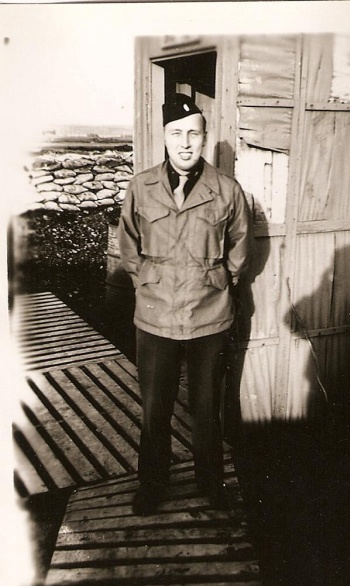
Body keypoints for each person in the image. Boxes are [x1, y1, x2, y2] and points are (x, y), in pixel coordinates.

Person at [117, 93, 251, 516]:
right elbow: (129, 247)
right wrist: (149, 284)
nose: (185, 143)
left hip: (210, 316)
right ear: (164, 137)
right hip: (156, 316)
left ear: (205, 137)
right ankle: (153, 485)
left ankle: (211, 483)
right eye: (176, 134)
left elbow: (239, 251)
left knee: (208, 409)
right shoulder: (141, 187)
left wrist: (215, 283)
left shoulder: (227, 190)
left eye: (193, 133)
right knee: (155, 410)